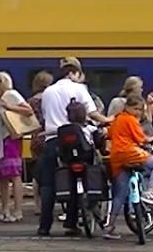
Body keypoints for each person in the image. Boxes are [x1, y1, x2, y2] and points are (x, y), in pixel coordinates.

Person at [37, 57, 112, 237]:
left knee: (48, 184)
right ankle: (71, 224)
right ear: (73, 73)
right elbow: (92, 113)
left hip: (53, 140)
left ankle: (44, 226)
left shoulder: (48, 91)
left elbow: (46, 117)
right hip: (76, 140)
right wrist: (109, 120)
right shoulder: (79, 89)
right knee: (77, 178)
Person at [0, 71, 33, 223]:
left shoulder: (12, 95)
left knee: (14, 174)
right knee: (2, 176)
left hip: (10, 139)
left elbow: (28, 110)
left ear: (1, 83)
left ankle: (18, 210)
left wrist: (10, 107)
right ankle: (4, 209)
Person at [107, 97, 153, 215]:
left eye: (140, 109)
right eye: (135, 108)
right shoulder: (131, 120)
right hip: (130, 152)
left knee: (120, 194)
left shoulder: (118, 118)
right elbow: (140, 138)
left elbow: (110, 133)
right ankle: (149, 192)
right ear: (127, 107)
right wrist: (151, 139)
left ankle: (110, 225)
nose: (138, 112)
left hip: (116, 156)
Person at [27, 71, 54, 217]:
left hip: (36, 137)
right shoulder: (51, 99)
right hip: (50, 135)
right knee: (51, 170)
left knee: (36, 173)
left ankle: (37, 205)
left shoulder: (31, 101)